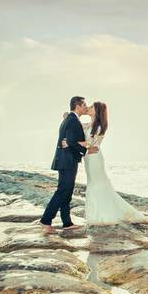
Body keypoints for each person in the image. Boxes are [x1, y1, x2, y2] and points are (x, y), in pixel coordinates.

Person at [63, 100, 148, 226]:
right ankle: (97, 213)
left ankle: (102, 214)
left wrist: (71, 143)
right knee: (93, 184)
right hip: (88, 157)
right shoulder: (89, 124)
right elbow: (76, 127)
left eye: (92, 107)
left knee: (98, 184)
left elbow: (91, 144)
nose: (88, 107)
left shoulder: (99, 126)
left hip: (95, 158)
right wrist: (67, 116)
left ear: (97, 111)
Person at [40, 96, 97, 234]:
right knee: (62, 191)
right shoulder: (72, 120)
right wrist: (86, 150)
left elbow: (69, 141)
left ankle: (67, 222)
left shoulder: (70, 118)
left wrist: (74, 144)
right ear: (78, 106)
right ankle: (46, 221)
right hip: (67, 161)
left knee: (67, 192)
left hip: (66, 160)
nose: (86, 107)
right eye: (84, 105)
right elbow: (71, 141)